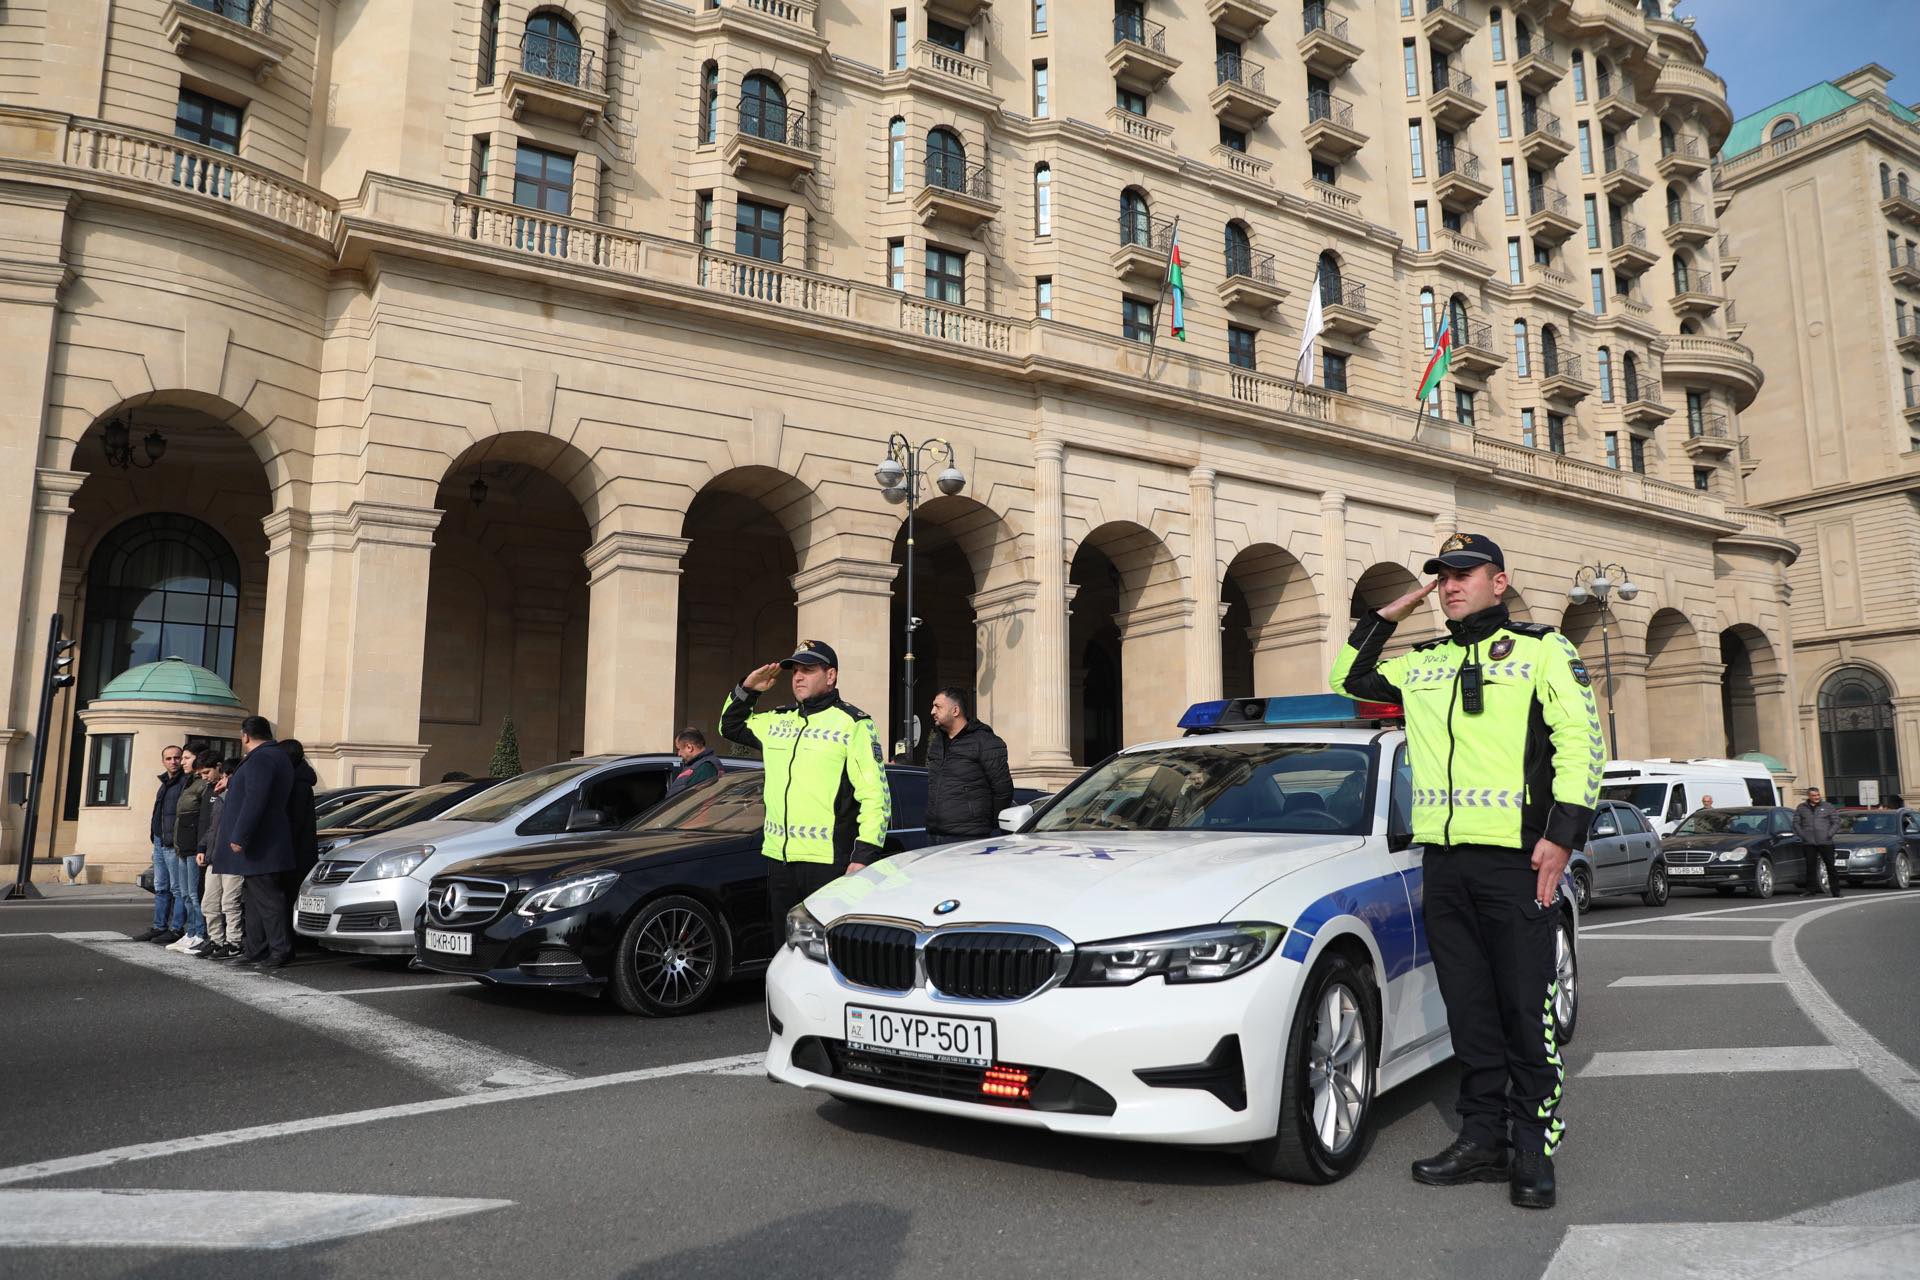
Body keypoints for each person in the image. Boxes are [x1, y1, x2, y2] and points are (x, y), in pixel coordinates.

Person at [1330, 533, 1602, 1211]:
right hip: (1443, 865)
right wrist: (1388, 613)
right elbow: (1345, 680)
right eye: (1441, 577)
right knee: (1470, 1012)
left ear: (1499, 581)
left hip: (1519, 862)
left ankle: (1534, 1148)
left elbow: (1581, 740)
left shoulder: (1543, 649)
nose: (1450, 586)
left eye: (1463, 574)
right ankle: (1483, 1139)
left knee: (1525, 1009)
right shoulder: (1421, 663)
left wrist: (1562, 838)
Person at [720, 640, 890, 933]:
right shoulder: (778, 721)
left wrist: (863, 857)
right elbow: (730, 726)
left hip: (829, 864)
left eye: (808, 670)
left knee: (825, 955)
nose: (798, 676)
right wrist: (747, 689)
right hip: (780, 861)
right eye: (795, 670)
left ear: (831, 675)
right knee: (785, 952)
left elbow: (876, 796)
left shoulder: (854, 723)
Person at [219, 715, 297, 972]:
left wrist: (240, 835)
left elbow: (255, 799)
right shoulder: (273, 756)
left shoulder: (262, 758)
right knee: (254, 901)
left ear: (245, 736)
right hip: (264, 843)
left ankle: (279, 950)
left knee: (268, 901)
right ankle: (256, 949)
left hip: (261, 845)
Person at [923, 687, 1014, 844]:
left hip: (968, 837)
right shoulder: (937, 743)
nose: (932, 711)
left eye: (938, 706)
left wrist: (986, 824)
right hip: (934, 834)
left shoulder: (984, 741)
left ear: (955, 710)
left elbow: (1003, 790)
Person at [132, 745, 191, 944]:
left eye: (177, 757)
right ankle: (159, 926)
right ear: (163, 761)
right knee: (161, 887)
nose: (173, 761)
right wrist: (154, 835)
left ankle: (176, 929)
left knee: (177, 888)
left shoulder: (184, 781)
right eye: (169, 758)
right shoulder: (165, 782)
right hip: (159, 841)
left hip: (172, 843)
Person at [167, 742, 213, 954]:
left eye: (186, 758)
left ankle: (200, 933)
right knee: (185, 893)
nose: (181, 762)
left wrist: (201, 846)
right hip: (182, 845)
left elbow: (204, 818)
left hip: (195, 846)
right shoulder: (189, 781)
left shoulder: (203, 784)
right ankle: (192, 931)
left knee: (194, 894)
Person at [196, 757, 244, 960]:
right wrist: (203, 847)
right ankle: (217, 940)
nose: (222, 780)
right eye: (223, 775)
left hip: (233, 858)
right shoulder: (219, 795)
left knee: (230, 903)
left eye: (227, 776)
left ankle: (235, 942)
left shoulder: (241, 796)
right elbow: (214, 826)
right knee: (209, 903)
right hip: (215, 857)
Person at [282, 739, 320, 945]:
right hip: (302, 848)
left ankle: (294, 938)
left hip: (296, 849)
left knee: (291, 894)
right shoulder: (301, 779)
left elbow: (294, 821)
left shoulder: (297, 784)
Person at [1793, 786, 1841, 898]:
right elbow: (1796, 823)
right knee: (1810, 866)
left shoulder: (1828, 806)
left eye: (1818, 795)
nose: (1816, 797)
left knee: (1830, 866)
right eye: (1814, 796)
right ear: (1809, 796)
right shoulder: (1801, 808)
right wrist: (1803, 835)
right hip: (1809, 842)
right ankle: (1810, 890)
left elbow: (1836, 822)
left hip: (1825, 842)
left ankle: (1836, 891)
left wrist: (1829, 834)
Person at [665, 728, 721, 797]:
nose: (678, 754)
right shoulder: (697, 765)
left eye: (679, 749)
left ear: (689, 747)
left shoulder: (706, 768)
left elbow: (694, 800)